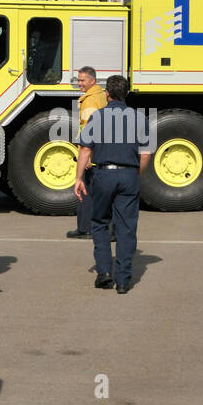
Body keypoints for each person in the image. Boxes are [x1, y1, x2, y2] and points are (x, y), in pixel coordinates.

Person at [73, 75, 152, 294]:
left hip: (103, 175)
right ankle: (124, 281)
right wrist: (135, 174)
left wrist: (79, 178)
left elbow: (85, 149)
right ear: (126, 94)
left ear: (107, 94)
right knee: (126, 227)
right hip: (128, 175)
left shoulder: (97, 117)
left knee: (99, 222)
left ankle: (104, 273)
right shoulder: (139, 118)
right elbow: (145, 154)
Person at [66, 65, 108, 239]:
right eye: (78, 80)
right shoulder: (100, 95)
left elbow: (89, 129)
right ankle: (91, 226)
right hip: (99, 152)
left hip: (91, 153)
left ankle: (85, 228)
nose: (80, 84)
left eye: (83, 80)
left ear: (93, 80)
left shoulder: (90, 100)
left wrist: (88, 154)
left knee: (85, 190)